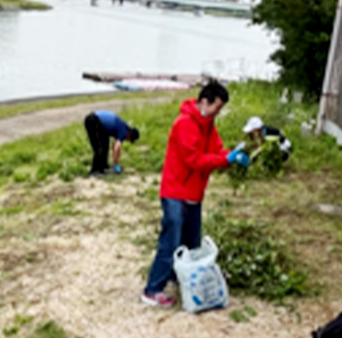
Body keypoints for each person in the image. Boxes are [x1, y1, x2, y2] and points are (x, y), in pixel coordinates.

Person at [142, 81, 248, 307]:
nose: (217, 113)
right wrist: (224, 160)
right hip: (176, 191)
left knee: (190, 243)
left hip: (194, 192)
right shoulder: (185, 124)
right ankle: (152, 290)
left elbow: (216, 150)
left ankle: (177, 277)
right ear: (204, 101)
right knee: (170, 242)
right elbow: (195, 160)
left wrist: (232, 156)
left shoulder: (208, 123)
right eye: (216, 108)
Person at [84, 110, 140, 176]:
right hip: (93, 121)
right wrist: (115, 164)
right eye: (130, 139)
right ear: (130, 135)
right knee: (99, 147)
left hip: (100, 124)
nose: (127, 140)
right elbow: (116, 147)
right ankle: (94, 171)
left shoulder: (124, 128)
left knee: (105, 145)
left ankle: (103, 166)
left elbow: (115, 147)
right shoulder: (124, 132)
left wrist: (116, 161)